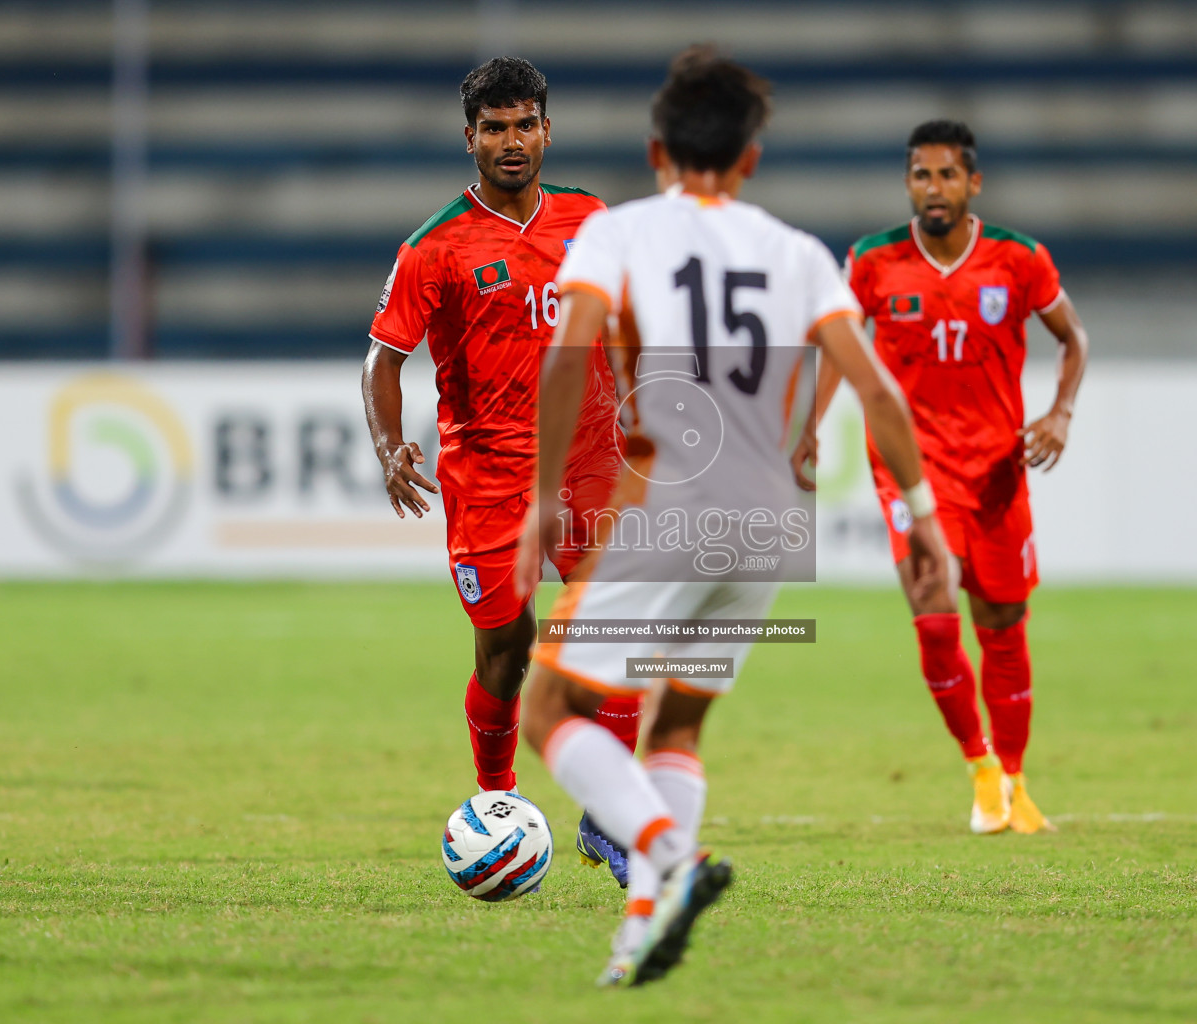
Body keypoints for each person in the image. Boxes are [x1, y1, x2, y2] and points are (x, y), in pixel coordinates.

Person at [513, 46, 953, 987]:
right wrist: (924, 521)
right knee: (676, 728)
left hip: (672, 500)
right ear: (751, 159)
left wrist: (545, 497)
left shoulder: (618, 234)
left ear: (655, 149)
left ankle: (668, 855)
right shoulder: (796, 253)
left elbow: (565, 360)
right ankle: (641, 926)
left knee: (545, 708)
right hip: (768, 521)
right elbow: (876, 391)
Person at [360, 56, 639, 884]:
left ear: (547, 130)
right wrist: (390, 444)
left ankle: (610, 819)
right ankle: (498, 801)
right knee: (505, 649)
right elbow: (382, 362)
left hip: (590, 460)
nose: (512, 141)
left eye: (525, 124)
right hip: (488, 472)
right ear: (470, 138)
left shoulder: (592, 219)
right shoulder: (433, 247)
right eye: (494, 128)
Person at [804, 119, 1089, 835]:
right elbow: (838, 343)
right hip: (911, 469)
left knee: (1001, 624)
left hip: (997, 469)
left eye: (947, 175)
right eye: (921, 176)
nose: (934, 189)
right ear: (909, 182)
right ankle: (980, 769)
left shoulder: (1019, 260)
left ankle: (1016, 783)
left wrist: (1060, 413)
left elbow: (1073, 339)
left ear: (973, 183)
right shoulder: (872, 260)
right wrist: (808, 422)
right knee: (934, 620)